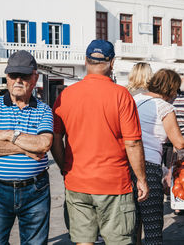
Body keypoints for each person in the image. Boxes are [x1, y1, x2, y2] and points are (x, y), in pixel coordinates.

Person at [51, 40, 149, 245]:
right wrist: (141, 178)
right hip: (113, 183)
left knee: (83, 241)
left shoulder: (66, 95)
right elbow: (132, 143)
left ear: (85, 60)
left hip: (77, 182)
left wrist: (63, 167)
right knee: (118, 241)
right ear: (112, 63)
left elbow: (55, 139)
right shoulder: (121, 95)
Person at [0, 50, 53, 244]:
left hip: (35, 190)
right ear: (7, 77)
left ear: (34, 78)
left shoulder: (44, 109)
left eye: (24, 75)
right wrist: (28, 148)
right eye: (13, 75)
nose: (18, 80)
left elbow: (44, 144)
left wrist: (9, 134)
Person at [133, 69, 184, 244]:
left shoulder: (136, 100)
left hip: (128, 164)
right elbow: (179, 142)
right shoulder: (165, 107)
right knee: (153, 225)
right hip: (148, 166)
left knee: (132, 222)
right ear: (171, 89)